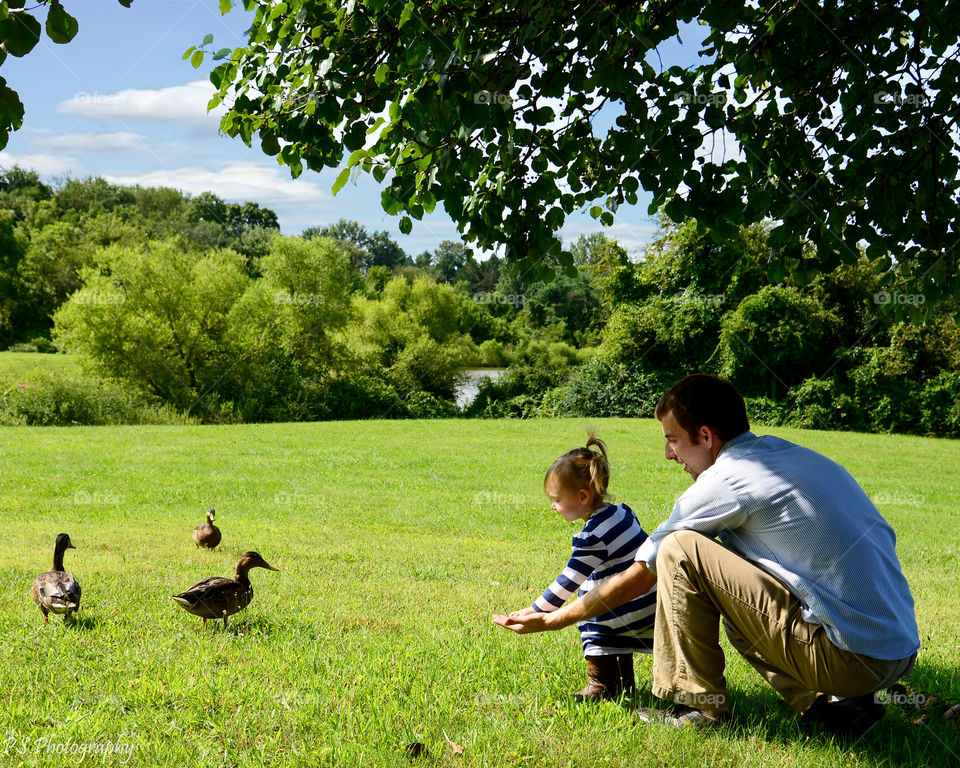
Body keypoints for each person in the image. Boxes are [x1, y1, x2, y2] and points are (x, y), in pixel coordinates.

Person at [494, 374, 919, 735]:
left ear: (705, 436)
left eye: (673, 440)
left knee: (680, 548)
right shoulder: (791, 456)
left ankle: (701, 709)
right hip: (895, 653)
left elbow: (644, 570)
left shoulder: (728, 479)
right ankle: (835, 708)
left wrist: (554, 618)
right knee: (732, 585)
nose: (668, 454)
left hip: (851, 661)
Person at [499, 434, 657, 701]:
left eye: (557, 499)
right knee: (599, 597)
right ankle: (623, 682)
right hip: (651, 601)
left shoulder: (591, 536)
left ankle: (603, 685)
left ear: (583, 496)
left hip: (632, 609)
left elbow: (568, 580)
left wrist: (536, 610)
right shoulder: (622, 511)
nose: (553, 506)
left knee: (589, 611)